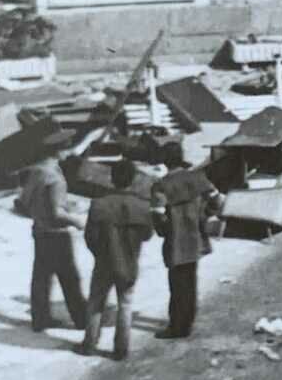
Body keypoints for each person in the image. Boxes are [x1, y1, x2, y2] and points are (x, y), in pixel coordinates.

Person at [78, 160, 153, 360]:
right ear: (134, 179)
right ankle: (121, 349)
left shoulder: (99, 204)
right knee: (125, 305)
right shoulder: (143, 205)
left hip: (104, 262)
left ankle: (89, 344)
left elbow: (90, 237)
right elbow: (147, 235)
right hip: (129, 262)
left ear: (112, 178)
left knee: (96, 303)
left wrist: (100, 254)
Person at [16, 131, 87, 332]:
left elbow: (23, 203)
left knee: (41, 277)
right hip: (57, 234)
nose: (69, 152)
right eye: (67, 148)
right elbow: (57, 213)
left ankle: (40, 319)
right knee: (69, 278)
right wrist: (77, 221)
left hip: (39, 230)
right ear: (58, 151)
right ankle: (81, 320)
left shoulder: (35, 172)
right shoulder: (55, 177)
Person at [150, 142, 222, 339]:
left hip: (175, 241)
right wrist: (205, 215)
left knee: (177, 284)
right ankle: (187, 323)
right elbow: (217, 200)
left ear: (165, 161)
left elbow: (157, 215)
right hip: (196, 238)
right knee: (190, 281)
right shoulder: (198, 177)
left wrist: (164, 230)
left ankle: (176, 327)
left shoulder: (161, 185)